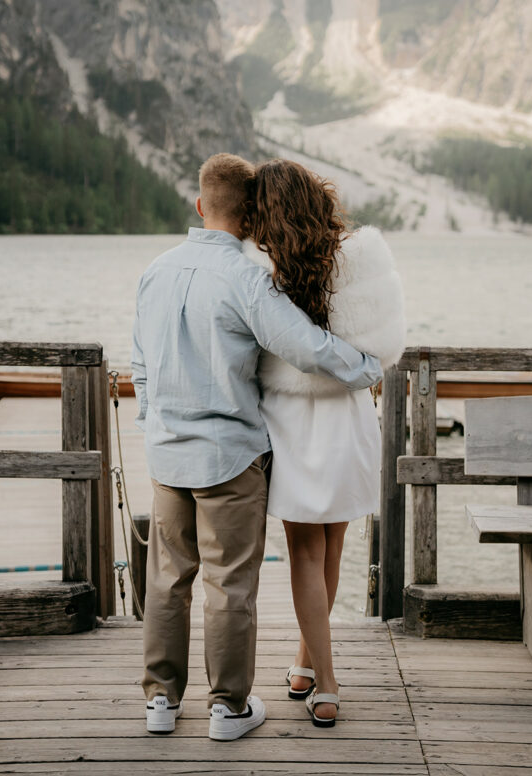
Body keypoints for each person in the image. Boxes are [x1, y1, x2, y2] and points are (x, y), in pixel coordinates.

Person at [131, 152, 383, 742]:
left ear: (200, 206)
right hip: (229, 456)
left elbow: (140, 363)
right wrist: (368, 365)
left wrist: (152, 421)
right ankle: (228, 709)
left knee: (167, 581)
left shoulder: (155, 270)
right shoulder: (246, 278)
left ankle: (161, 703)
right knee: (230, 584)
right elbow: (306, 347)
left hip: (166, 453)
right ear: (249, 217)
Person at [244, 158, 406, 728]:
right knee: (331, 547)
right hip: (348, 415)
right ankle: (307, 663)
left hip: (291, 418)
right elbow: (386, 347)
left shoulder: (259, 268)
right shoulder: (363, 259)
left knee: (306, 553)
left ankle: (325, 678)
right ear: (319, 198)